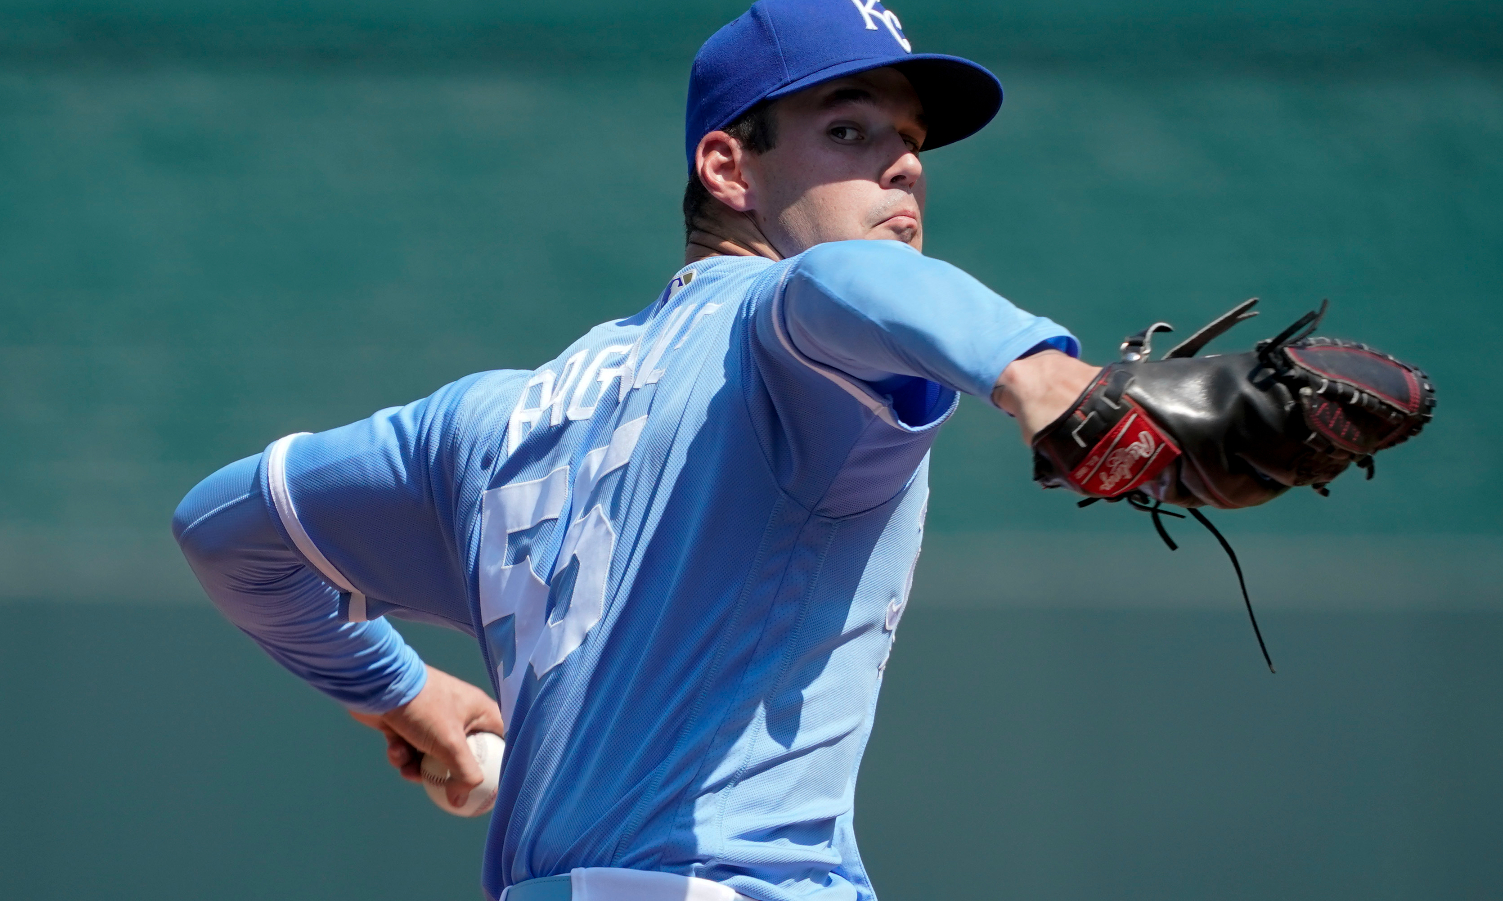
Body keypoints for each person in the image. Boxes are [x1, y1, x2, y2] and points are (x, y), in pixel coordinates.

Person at [173, 2, 1100, 899]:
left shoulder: (487, 422)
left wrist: (397, 688)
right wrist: (1044, 375)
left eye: (911, 138)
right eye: (850, 131)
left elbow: (223, 527)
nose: (902, 164)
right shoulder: (790, 334)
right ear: (728, 168)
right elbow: (843, 282)